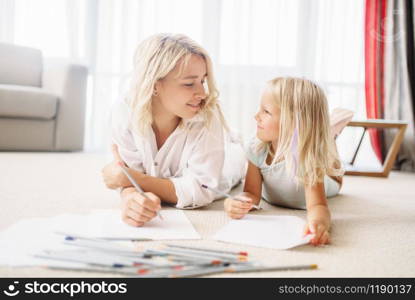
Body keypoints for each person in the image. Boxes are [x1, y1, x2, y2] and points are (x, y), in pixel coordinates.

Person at [102, 33, 243, 227]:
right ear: (154, 85)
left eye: (203, 81)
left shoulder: (208, 116)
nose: (202, 93)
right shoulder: (124, 111)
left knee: (239, 153)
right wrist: (130, 198)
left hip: (229, 159)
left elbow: (202, 190)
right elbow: (129, 175)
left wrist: (130, 179)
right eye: (189, 83)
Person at [224, 77, 344, 246]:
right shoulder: (256, 148)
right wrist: (236, 202)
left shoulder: (309, 158)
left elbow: (317, 205)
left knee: (333, 167)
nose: (256, 116)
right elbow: (251, 193)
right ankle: (327, 133)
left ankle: (329, 136)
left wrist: (319, 224)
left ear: (293, 122)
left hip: (328, 180)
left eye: (266, 111)